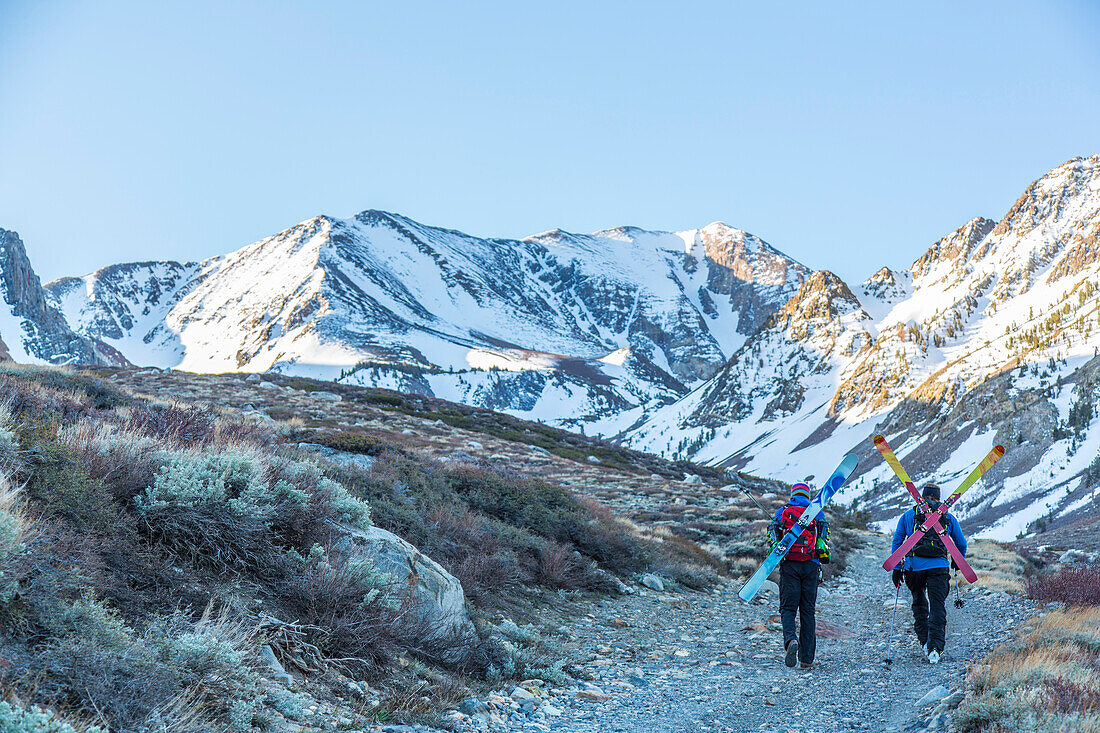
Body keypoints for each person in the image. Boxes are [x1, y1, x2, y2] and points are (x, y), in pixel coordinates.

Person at [890, 483, 967, 664]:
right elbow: (961, 543)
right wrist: (957, 560)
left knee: (919, 604)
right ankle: (936, 648)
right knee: (937, 606)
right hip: (939, 568)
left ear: (921, 497)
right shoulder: (948, 517)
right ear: (939, 498)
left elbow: (897, 542)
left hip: (913, 568)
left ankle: (924, 641)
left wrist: (896, 568)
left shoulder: (908, 516)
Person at [769, 483, 830, 669]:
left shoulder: (783, 511)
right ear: (807, 495)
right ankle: (806, 659)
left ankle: (790, 641)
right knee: (807, 612)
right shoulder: (817, 512)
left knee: (788, 608)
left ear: (793, 494)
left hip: (790, 566)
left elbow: (772, 533)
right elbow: (824, 537)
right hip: (811, 566)